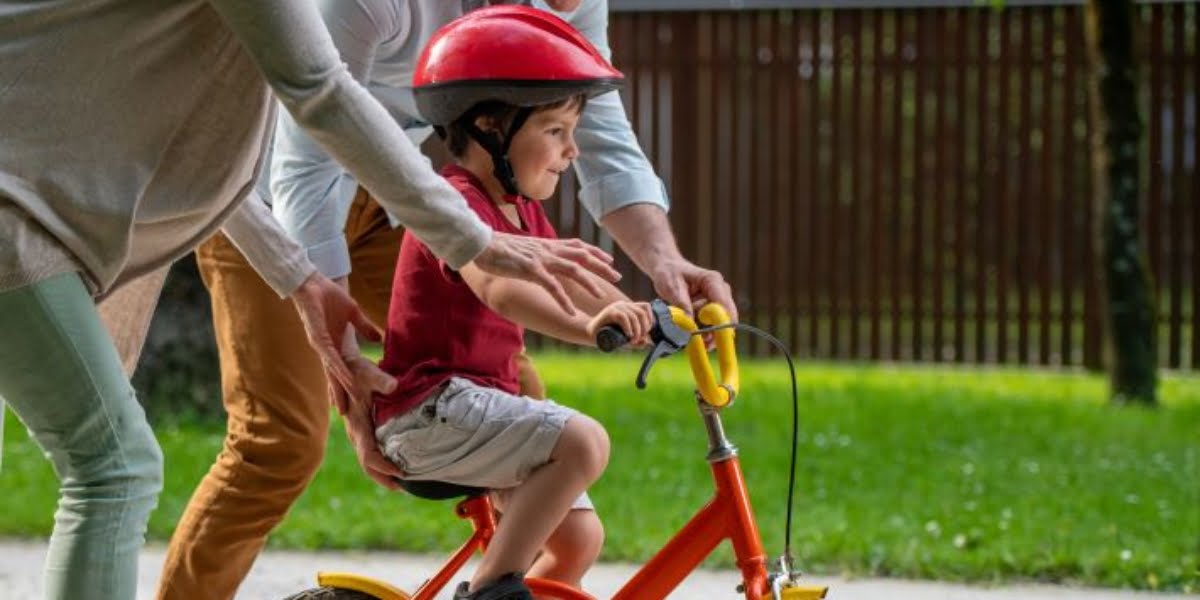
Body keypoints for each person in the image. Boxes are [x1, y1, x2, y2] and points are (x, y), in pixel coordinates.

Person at [0, 2, 620, 599]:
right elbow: (321, 95)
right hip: (27, 214)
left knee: (115, 468)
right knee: (134, 467)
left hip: (62, 216)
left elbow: (206, 169)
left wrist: (301, 280)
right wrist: (475, 241)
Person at [160, 1, 736, 599]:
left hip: (397, 193)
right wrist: (346, 361)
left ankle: (514, 581)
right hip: (271, 200)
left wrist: (662, 273)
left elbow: (599, 131)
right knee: (278, 445)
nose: (566, 6)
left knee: (520, 390)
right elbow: (304, 163)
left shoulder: (567, 10)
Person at [373, 8, 653, 598]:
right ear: (490, 128)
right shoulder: (451, 206)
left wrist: (647, 315)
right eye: (555, 131)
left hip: (477, 408)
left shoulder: (521, 211)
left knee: (578, 541)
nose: (571, 151)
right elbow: (502, 286)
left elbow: (574, 277)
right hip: (428, 410)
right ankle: (493, 588)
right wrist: (588, 327)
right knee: (584, 442)